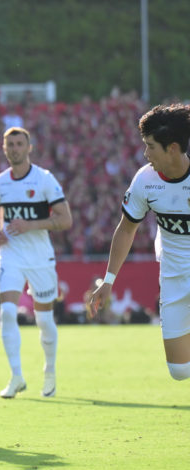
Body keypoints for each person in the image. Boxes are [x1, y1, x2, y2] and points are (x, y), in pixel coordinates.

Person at [89, 104, 190, 381]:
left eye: (151, 146)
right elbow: (126, 230)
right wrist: (108, 280)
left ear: (172, 148)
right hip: (173, 277)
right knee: (179, 371)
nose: (145, 153)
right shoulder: (145, 180)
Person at [0, 127, 72, 398]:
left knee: (44, 319)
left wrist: (30, 225)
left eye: (19, 144)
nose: (14, 148)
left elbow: (65, 219)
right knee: (7, 312)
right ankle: (16, 376)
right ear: (4, 149)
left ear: (29, 148)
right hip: (11, 255)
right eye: (10, 144)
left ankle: (50, 372)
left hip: (40, 258)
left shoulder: (44, 179)